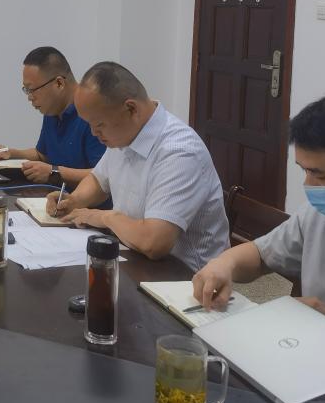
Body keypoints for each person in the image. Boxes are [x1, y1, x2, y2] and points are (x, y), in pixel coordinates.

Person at [193, 92, 325, 375]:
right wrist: (224, 264)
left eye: (320, 175)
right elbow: (260, 254)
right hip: (308, 368)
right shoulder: (320, 215)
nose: (309, 185)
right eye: (304, 171)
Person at [45, 61, 230, 271]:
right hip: (135, 258)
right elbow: (99, 179)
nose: (94, 133)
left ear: (131, 109)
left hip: (187, 278)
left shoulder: (179, 152)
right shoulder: (123, 134)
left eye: (99, 125)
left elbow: (154, 243)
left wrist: (104, 217)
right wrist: (74, 200)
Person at [0, 47, 106, 197]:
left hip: (87, 206)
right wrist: (12, 153)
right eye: (26, 90)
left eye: (32, 90)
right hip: (53, 199)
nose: (29, 97)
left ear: (59, 83)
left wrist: (54, 172)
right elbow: (42, 155)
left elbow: (104, 175)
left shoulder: (92, 112)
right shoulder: (53, 109)